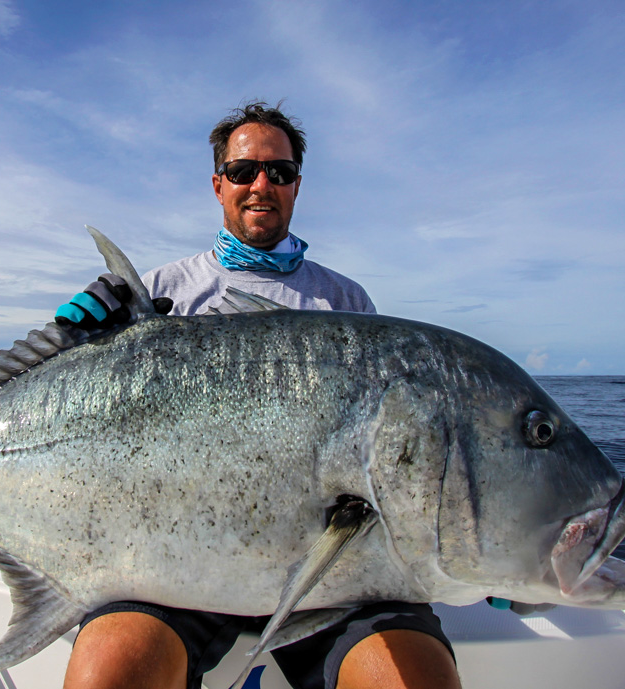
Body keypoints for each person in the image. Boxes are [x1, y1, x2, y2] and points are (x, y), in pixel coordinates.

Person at [56, 102, 461, 689]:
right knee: (110, 672)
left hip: (332, 574)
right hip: (180, 556)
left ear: (298, 183)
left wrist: (488, 553)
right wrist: (71, 344)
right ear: (219, 183)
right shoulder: (162, 290)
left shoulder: (344, 302)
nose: (261, 185)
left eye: (280, 171)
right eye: (244, 171)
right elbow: (92, 427)